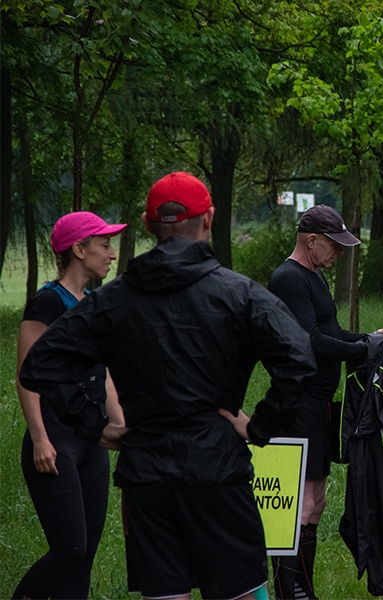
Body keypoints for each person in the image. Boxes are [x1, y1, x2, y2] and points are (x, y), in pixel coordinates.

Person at [18, 172, 317, 600]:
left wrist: (93, 425)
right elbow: (300, 359)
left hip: (148, 478)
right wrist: (259, 427)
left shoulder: (111, 300)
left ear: (146, 224)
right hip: (217, 475)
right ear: (209, 219)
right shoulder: (241, 294)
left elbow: (41, 365)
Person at [267, 204, 383, 600]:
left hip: (321, 402)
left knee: (317, 500)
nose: (339, 253)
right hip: (297, 401)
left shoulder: (314, 276)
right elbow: (308, 341)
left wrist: (367, 338)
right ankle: (293, 592)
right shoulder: (289, 278)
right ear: (311, 240)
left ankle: (305, 588)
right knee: (300, 504)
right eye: (334, 246)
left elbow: (331, 330)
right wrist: (362, 351)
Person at [13, 212, 126, 599]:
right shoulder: (47, 303)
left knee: (85, 556)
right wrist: (40, 438)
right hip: (55, 442)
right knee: (69, 549)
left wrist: (122, 430)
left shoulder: (95, 304)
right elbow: (27, 377)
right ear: (79, 250)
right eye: (104, 244)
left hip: (91, 442)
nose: (112, 254)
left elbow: (104, 374)